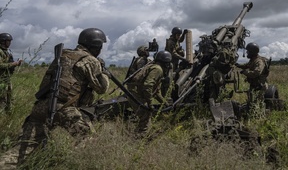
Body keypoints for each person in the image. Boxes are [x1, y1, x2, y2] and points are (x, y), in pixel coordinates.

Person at [18, 28, 110, 163]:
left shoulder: (62, 54)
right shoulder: (90, 60)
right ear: (96, 46)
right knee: (89, 139)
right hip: (64, 109)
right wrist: (104, 73)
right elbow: (102, 89)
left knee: (21, 150)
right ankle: (75, 164)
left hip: (41, 107)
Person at [127, 50, 172, 134]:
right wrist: (150, 104)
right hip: (136, 94)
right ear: (166, 63)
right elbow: (147, 86)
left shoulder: (153, 67)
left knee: (146, 116)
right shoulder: (158, 70)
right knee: (146, 114)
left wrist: (164, 103)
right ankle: (141, 137)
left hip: (134, 93)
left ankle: (141, 134)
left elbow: (155, 92)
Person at [235, 42, 270, 118]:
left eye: (248, 51)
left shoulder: (259, 61)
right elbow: (247, 65)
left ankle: (259, 118)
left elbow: (256, 73)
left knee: (257, 104)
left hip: (260, 86)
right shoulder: (253, 60)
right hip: (255, 86)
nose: (247, 53)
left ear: (252, 52)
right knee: (251, 103)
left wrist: (245, 72)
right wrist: (238, 65)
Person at [0, 33, 22, 113]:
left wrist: (17, 63)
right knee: (2, 100)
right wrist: (13, 64)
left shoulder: (7, 52)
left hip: (6, 79)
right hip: (1, 80)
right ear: (3, 41)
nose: (10, 43)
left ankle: (8, 115)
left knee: (9, 99)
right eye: (8, 41)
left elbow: (9, 65)